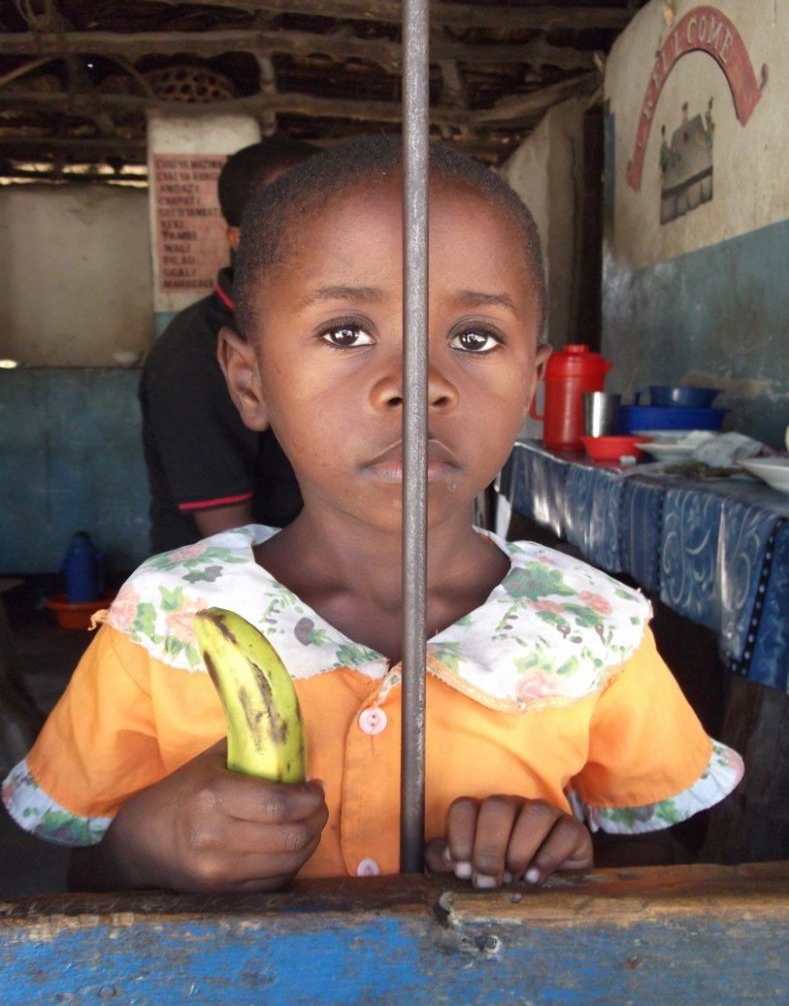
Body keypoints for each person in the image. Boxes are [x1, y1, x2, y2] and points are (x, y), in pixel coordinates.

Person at [2, 137, 743, 893]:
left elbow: (654, 871)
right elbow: (85, 879)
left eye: (474, 338)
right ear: (249, 379)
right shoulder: (167, 620)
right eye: (345, 333)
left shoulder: (593, 627)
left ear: (531, 384)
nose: (416, 383)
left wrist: (566, 856)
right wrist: (151, 844)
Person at [139, 138, 318, 554]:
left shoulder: (334, 326)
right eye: (295, 218)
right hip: (233, 598)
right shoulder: (190, 358)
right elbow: (230, 543)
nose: (323, 234)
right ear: (239, 238)